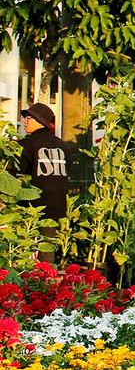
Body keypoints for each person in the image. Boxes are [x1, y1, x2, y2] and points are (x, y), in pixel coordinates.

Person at [18, 103, 71, 264]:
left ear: (40, 121)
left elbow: (17, 173)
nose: (24, 121)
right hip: (55, 205)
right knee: (47, 250)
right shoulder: (62, 145)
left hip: (30, 206)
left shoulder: (27, 144)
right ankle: (48, 278)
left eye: (28, 117)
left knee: (22, 248)